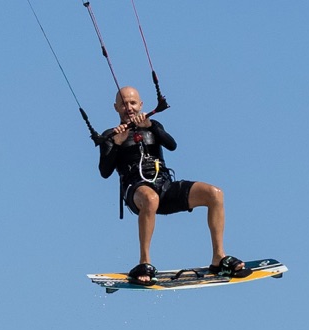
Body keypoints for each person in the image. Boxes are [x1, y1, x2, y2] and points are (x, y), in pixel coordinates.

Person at [97, 86, 244, 285]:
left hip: (164, 186)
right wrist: (117, 142)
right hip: (137, 191)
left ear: (141, 105)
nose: (129, 107)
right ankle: (144, 262)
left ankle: (219, 257)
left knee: (214, 194)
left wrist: (151, 126)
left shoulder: (153, 124)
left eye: (132, 103)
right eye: (124, 104)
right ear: (116, 107)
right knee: (150, 198)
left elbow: (172, 145)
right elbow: (104, 172)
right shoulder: (110, 135)